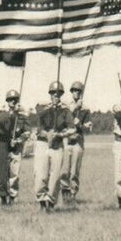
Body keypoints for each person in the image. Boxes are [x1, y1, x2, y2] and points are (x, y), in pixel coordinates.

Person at [34, 81, 74, 212]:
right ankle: (41, 201)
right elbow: (39, 128)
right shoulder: (43, 108)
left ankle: (50, 202)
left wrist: (60, 134)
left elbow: (72, 128)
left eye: (58, 94)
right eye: (53, 94)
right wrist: (47, 134)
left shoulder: (65, 110)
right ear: (50, 94)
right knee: (41, 175)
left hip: (57, 144)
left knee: (55, 176)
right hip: (43, 144)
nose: (56, 96)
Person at [0, 89, 29, 205]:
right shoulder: (1, 113)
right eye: (10, 100)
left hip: (16, 146)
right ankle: (3, 197)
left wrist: (19, 140)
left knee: (14, 173)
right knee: (3, 172)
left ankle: (13, 197)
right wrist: (11, 115)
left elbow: (27, 132)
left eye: (15, 100)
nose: (13, 102)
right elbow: (1, 123)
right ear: (7, 101)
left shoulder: (22, 116)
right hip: (3, 144)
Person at [60, 80, 91, 203]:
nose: (76, 93)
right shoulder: (65, 106)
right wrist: (74, 108)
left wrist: (81, 125)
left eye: (79, 91)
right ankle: (64, 194)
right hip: (66, 140)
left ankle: (73, 194)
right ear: (71, 92)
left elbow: (88, 127)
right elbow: (61, 121)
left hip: (78, 141)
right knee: (64, 170)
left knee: (75, 171)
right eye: (74, 91)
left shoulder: (85, 109)